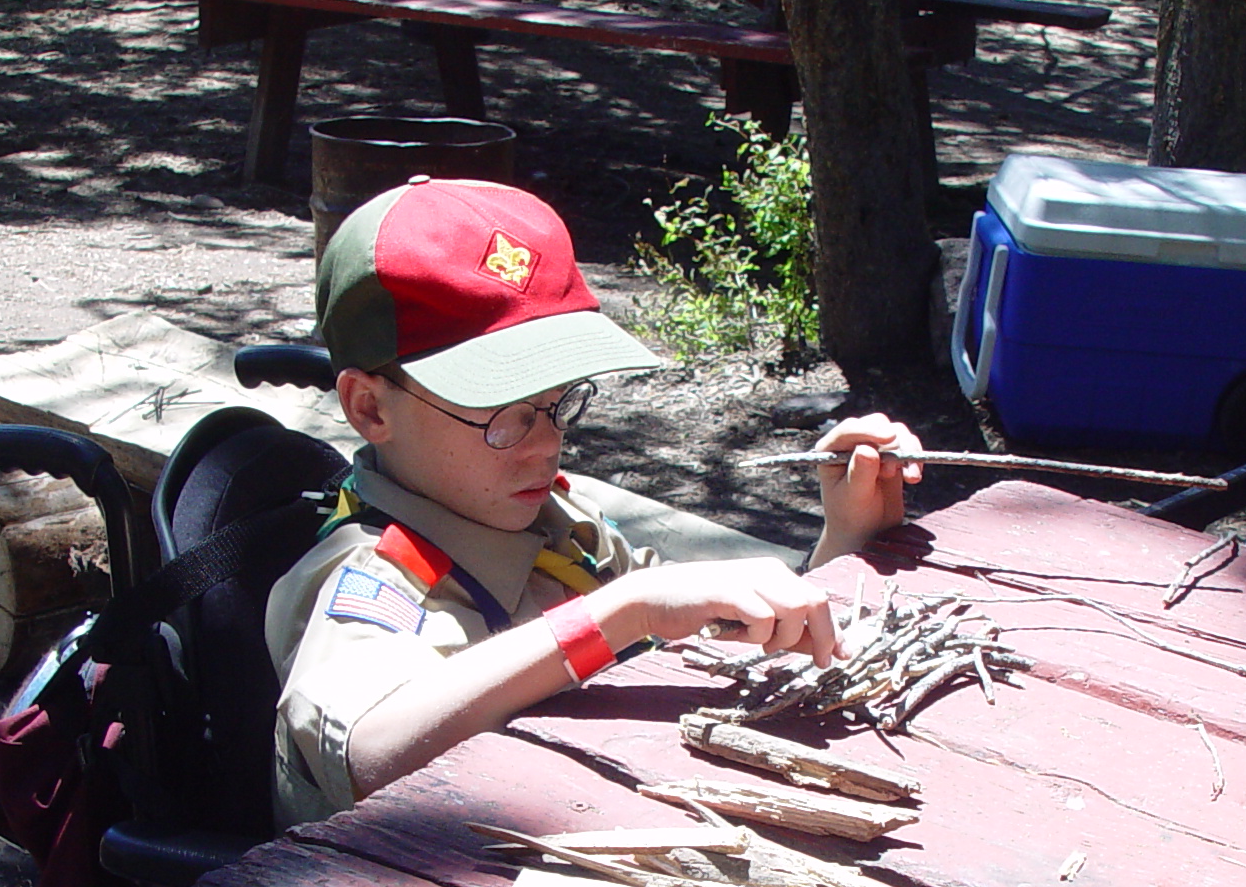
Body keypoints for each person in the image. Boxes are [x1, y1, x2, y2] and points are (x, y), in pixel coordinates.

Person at [268, 176, 921, 829]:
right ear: (368, 407)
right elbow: (370, 752)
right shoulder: (367, 582)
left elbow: (700, 640)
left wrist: (846, 536)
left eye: (559, 402)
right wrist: (625, 610)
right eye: (505, 415)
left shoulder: (555, 522)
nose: (547, 442)